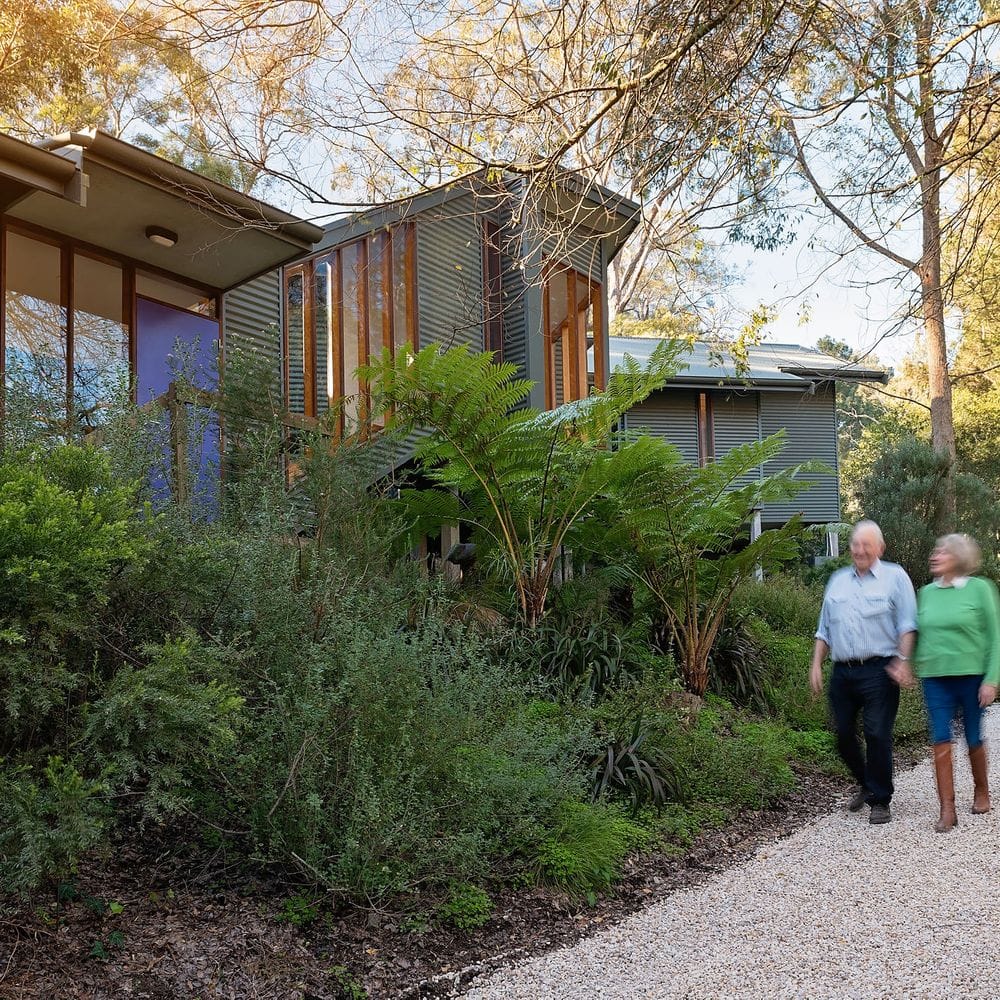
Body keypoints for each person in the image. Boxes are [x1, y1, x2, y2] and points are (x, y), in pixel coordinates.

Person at [810, 520, 917, 824]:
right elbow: (824, 630)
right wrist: (816, 664)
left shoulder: (895, 577)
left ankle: (880, 800)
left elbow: (907, 625)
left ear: (879, 549)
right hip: (842, 671)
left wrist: (903, 660)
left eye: (866, 545)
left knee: (877, 733)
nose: (859, 550)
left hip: (879, 669)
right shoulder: (837, 581)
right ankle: (868, 784)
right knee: (843, 735)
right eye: (856, 544)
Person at [909, 534, 998, 832]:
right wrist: (907, 664)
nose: (935, 555)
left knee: (973, 735)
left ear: (958, 558)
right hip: (935, 678)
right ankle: (947, 808)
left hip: (971, 677)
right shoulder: (926, 593)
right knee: (939, 736)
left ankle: (981, 790)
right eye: (935, 551)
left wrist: (992, 678)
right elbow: (922, 636)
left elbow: (996, 637)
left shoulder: (980, 589)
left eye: (942, 552)